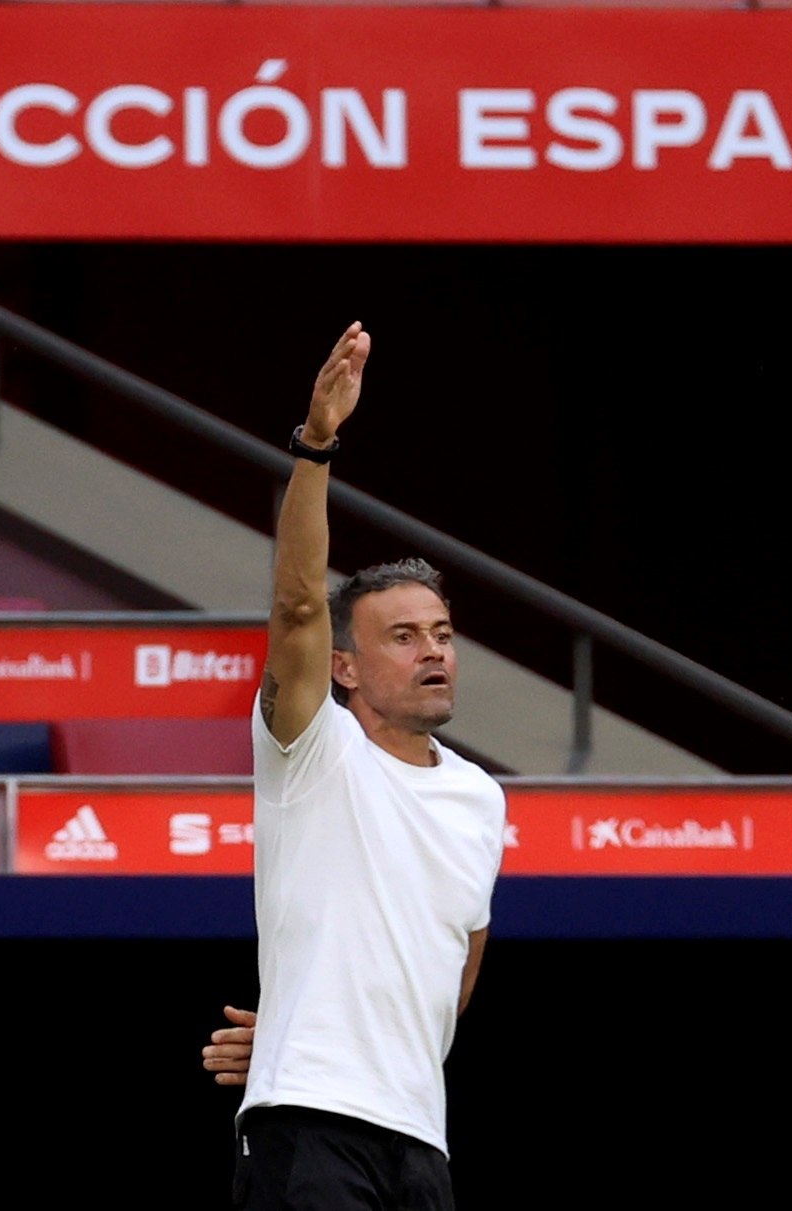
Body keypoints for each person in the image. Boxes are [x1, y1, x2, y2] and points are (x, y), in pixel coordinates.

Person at [204, 320, 508, 1210]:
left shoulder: (481, 798)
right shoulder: (312, 748)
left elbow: (454, 972)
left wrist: (311, 1023)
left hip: (422, 1143)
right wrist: (316, 447)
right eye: (405, 636)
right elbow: (300, 602)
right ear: (345, 666)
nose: (434, 652)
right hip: (309, 1130)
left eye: (444, 635)